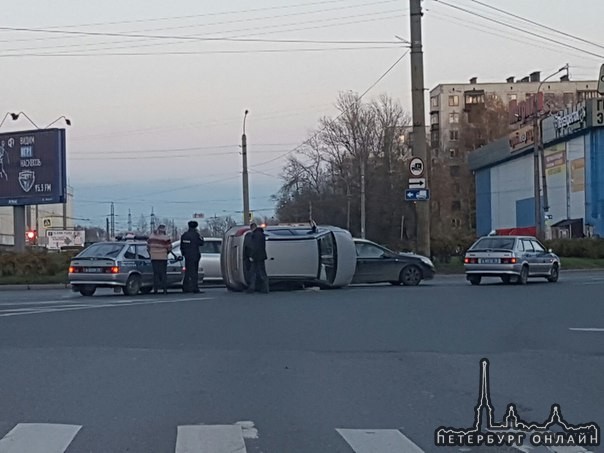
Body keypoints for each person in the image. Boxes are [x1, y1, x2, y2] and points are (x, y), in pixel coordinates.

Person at [180, 220, 204, 293]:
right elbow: (201, 243)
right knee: (194, 272)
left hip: (187, 256)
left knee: (188, 272)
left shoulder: (184, 235)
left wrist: (184, 253)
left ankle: (185, 287)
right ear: (196, 227)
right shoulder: (196, 235)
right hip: (195, 255)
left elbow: (182, 246)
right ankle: (195, 288)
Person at [147, 224, 172, 294]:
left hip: (154, 257)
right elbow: (169, 247)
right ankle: (164, 289)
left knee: (156, 273)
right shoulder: (165, 237)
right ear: (163, 230)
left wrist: (151, 253)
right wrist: (166, 252)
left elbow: (148, 247)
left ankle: (155, 289)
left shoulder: (151, 237)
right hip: (163, 257)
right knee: (163, 273)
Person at [247, 226, 269, 293]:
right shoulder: (262, 235)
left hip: (256, 256)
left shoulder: (254, 235)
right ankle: (265, 288)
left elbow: (254, 247)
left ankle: (252, 288)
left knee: (253, 272)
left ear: (252, 228)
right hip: (262, 256)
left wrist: (251, 255)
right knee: (262, 272)